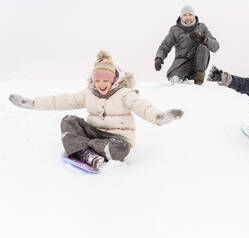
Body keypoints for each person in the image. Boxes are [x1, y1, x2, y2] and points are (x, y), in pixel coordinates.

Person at [9, 50, 183, 170]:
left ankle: (83, 149)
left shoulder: (125, 93)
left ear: (113, 79)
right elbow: (63, 100)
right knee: (68, 120)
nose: (101, 84)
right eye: (97, 81)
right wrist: (33, 104)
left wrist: (159, 117)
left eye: (105, 81)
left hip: (117, 138)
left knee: (122, 149)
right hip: (94, 133)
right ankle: (87, 154)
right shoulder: (89, 93)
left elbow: (143, 106)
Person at [154, 5, 219, 85]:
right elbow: (165, 46)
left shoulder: (202, 27)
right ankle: (179, 77)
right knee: (174, 81)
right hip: (182, 63)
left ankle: (199, 80)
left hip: (197, 62)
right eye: (185, 15)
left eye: (190, 15)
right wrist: (159, 58)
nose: (188, 17)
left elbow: (215, 47)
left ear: (194, 16)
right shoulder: (174, 30)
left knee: (203, 48)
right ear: (181, 17)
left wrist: (204, 39)